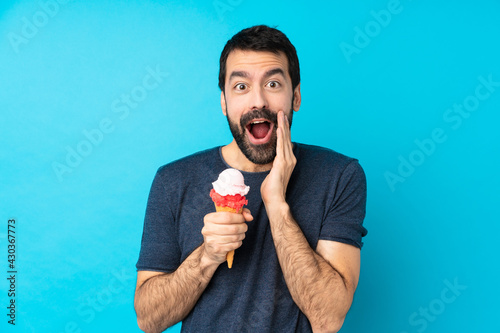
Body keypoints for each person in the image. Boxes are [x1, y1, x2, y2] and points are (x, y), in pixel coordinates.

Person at [134, 25, 367, 333]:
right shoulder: (173, 181)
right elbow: (149, 320)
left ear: (295, 96)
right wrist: (207, 256)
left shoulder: (339, 176)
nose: (258, 101)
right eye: (241, 87)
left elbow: (328, 318)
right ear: (224, 102)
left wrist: (276, 204)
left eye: (272, 83)